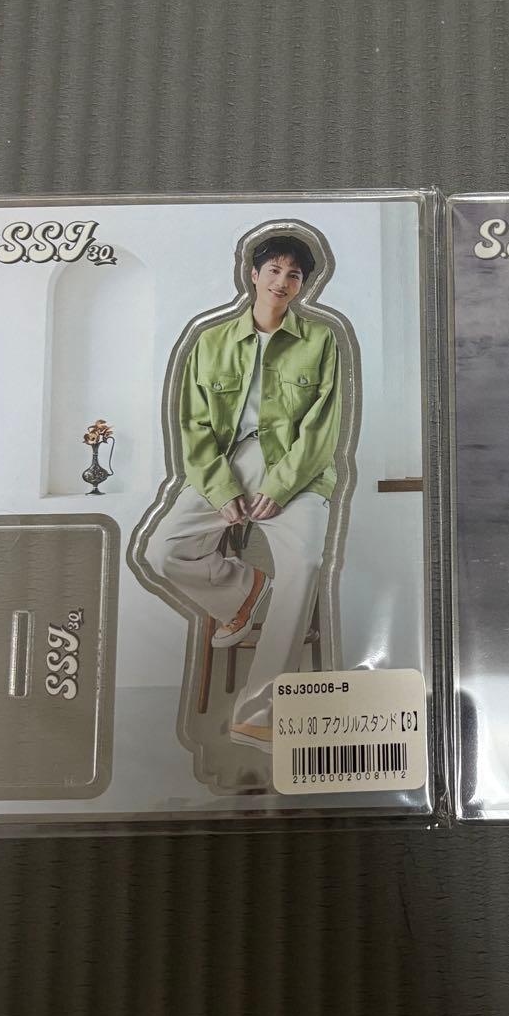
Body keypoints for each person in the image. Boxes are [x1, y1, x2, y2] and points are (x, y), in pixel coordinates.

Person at [146, 234, 343, 752]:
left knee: (303, 565)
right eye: (274, 270)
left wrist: (280, 486)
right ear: (253, 275)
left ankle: (260, 712)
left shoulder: (321, 340)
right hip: (226, 463)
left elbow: (322, 428)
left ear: (303, 285)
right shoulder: (210, 343)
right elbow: (193, 424)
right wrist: (219, 488)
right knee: (162, 550)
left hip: (296, 471)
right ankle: (243, 590)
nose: (282, 282)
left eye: (294, 275)